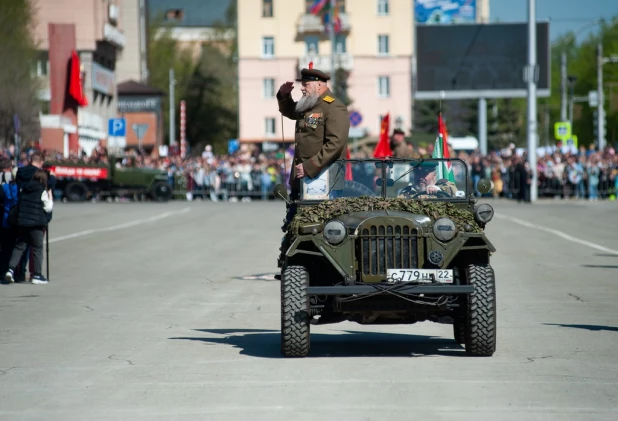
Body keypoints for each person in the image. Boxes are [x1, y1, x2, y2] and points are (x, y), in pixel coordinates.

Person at [276, 63, 350, 227]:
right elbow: (290, 111)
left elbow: (336, 143)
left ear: (319, 85)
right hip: (302, 180)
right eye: (302, 85)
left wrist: (311, 166)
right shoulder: (309, 103)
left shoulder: (333, 107)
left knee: (320, 228)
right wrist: (283, 95)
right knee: (295, 226)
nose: (302, 89)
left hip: (323, 181)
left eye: (306, 85)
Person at [4, 169, 53, 285]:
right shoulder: (42, 191)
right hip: (36, 223)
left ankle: (10, 270)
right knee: (37, 248)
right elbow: (48, 208)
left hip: (22, 222)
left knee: (20, 246)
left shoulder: (25, 189)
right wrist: (50, 197)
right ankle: (37, 275)